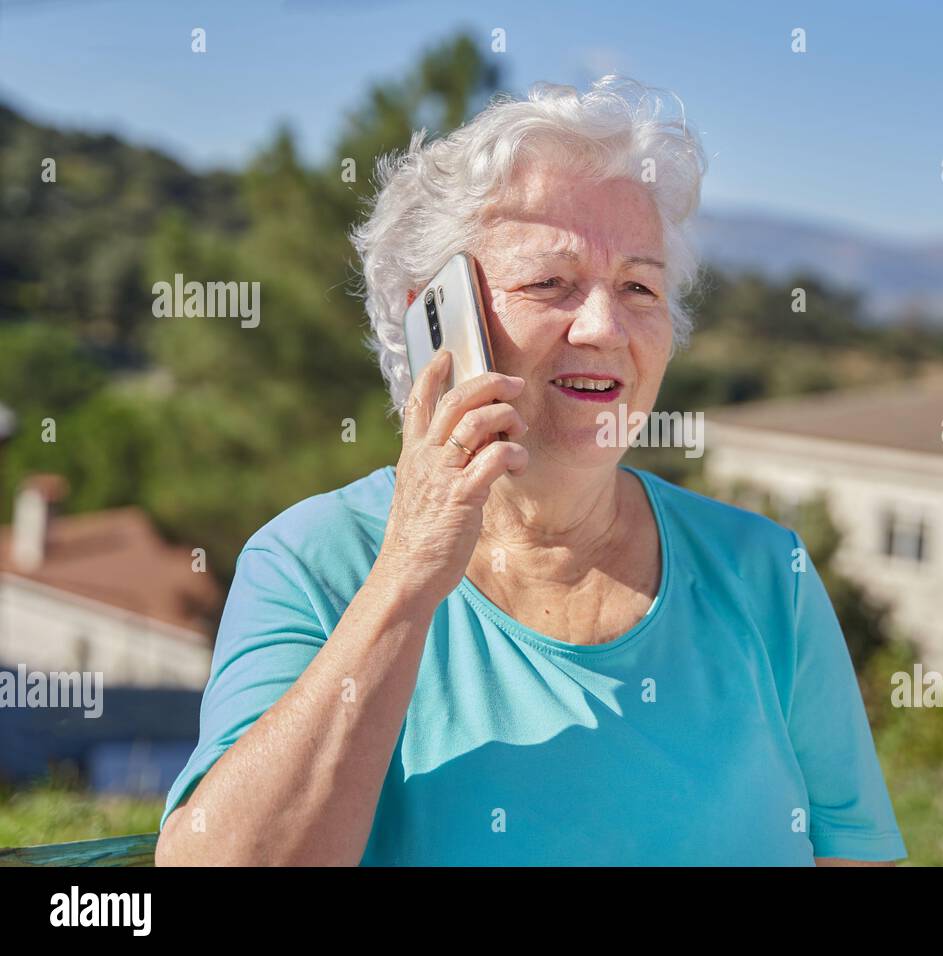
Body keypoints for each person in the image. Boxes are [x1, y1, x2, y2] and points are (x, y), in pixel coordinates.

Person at [154, 76, 905, 866]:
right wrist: (408, 577)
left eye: (639, 287)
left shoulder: (765, 574)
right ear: (433, 327)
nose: (605, 326)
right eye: (551, 283)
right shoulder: (314, 561)